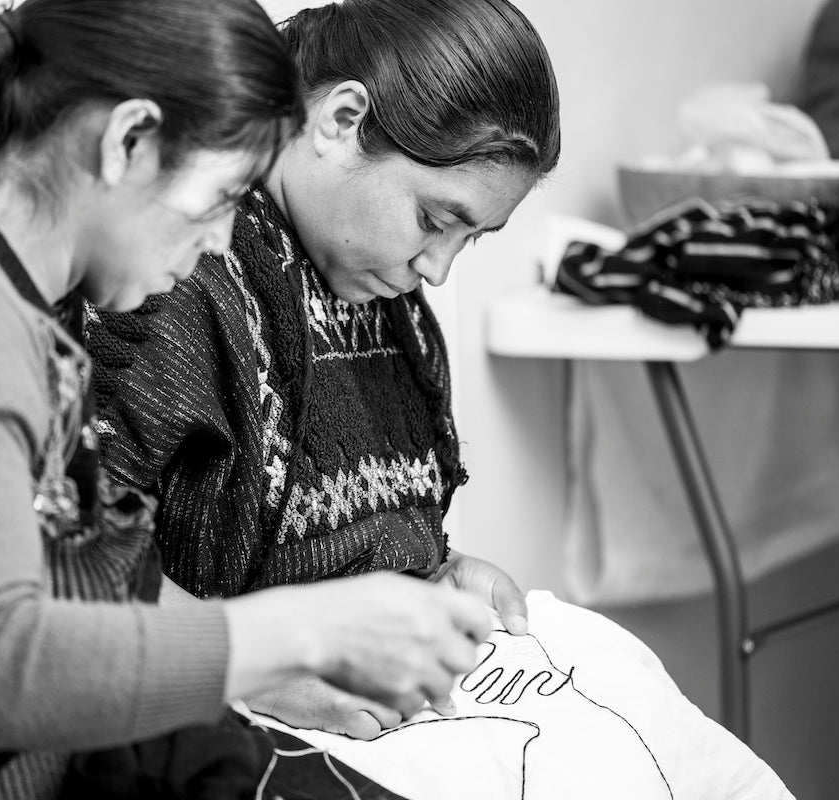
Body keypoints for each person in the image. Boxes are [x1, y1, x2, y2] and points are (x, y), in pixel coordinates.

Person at [0, 0, 491, 795]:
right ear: (128, 140)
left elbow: (85, 584)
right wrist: (303, 633)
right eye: (222, 197)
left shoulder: (3, 286)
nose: (220, 240)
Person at [86, 0, 560, 740]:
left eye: (472, 238)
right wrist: (268, 670)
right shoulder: (172, 276)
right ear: (340, 121)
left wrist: (432, 572)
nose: (437, 269)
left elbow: (333, 551)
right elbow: (69, 562)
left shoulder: (386, 305)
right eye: (435, 221)